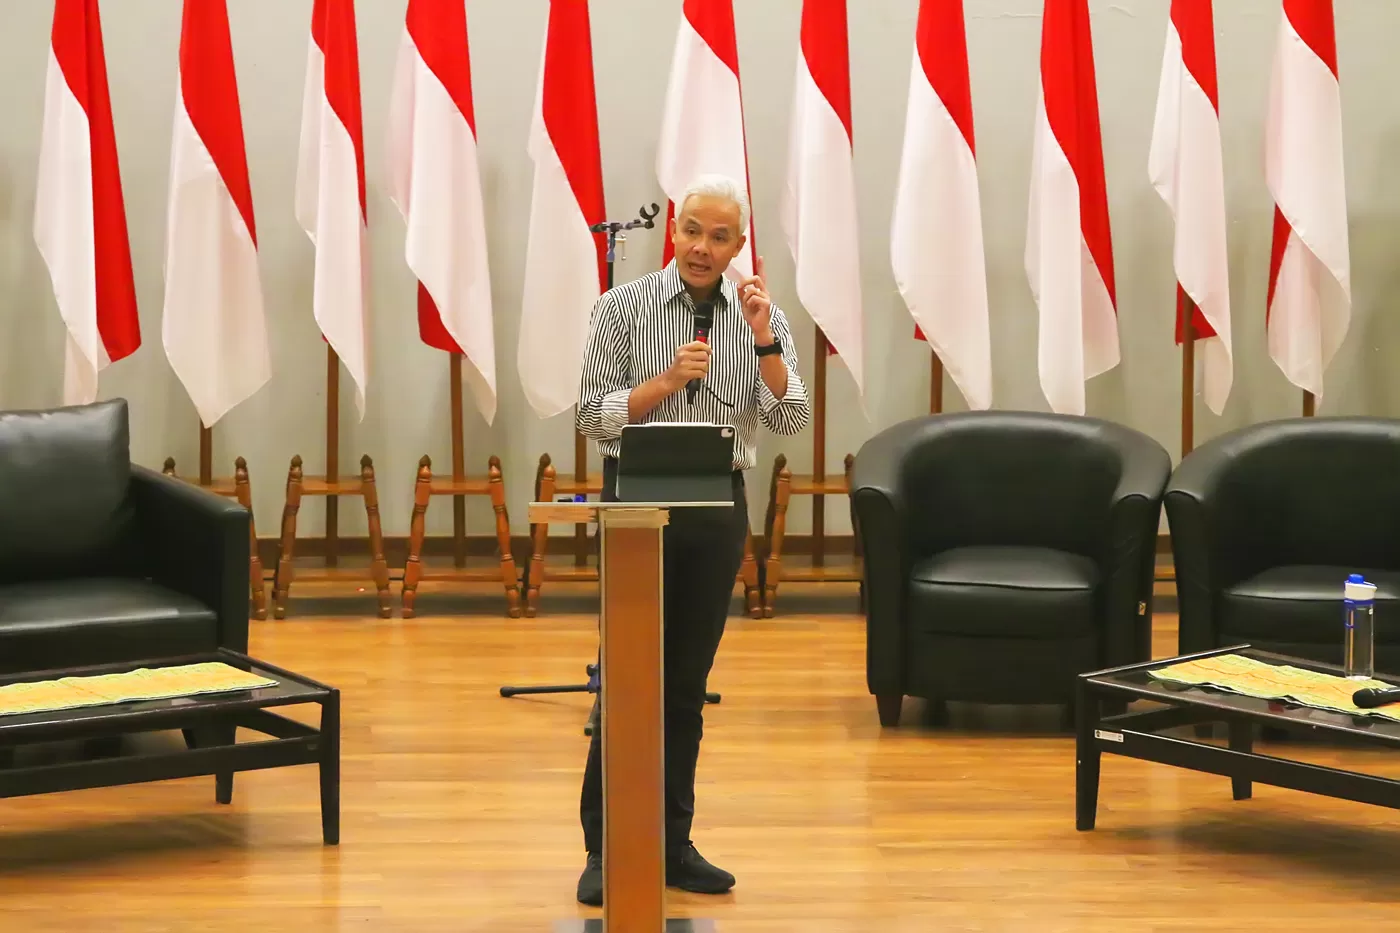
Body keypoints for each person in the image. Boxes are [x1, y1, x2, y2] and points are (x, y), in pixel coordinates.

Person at [572, 174, 811, 905]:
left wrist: (765, 340)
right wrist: (663, 383)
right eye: (692, 231)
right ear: (674, 231)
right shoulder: (622, 307)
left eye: (719, 237)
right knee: (627, 679)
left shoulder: (760, 317)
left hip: (717, 505)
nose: (703, 247)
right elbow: (591, 416)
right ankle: (605, 847)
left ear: (738, 247)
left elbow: (792, 418)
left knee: (684, 685)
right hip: (636, 503)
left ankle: (673, 843)